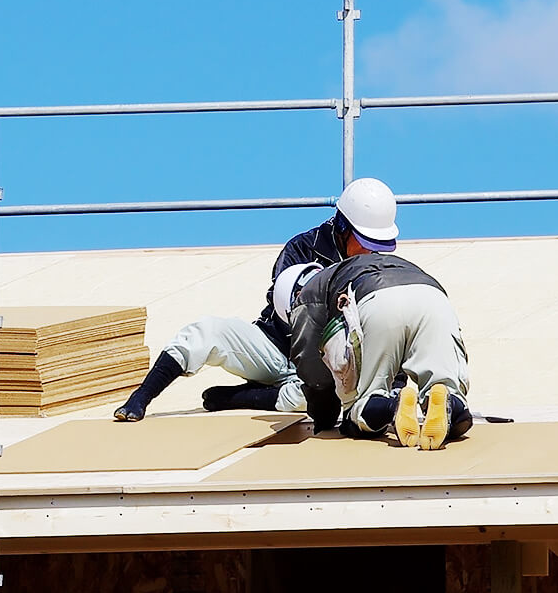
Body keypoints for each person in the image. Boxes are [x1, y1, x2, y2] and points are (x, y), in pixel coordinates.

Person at [112, 178, 400, 422]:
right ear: (342, 227)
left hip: (326, 368)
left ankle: (241, 397)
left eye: (376, 246)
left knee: (322, 400)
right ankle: (140, 398)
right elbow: (289, 307)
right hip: (275, 347)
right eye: (364, 242)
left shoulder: (379, 267)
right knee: (206, 332)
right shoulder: (301, 248)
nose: (369, 252)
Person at [273, 254, 472, 449]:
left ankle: (392, 407)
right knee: (447, 391)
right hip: (433, 298)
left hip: (377, 300)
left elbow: (313, 371)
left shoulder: (305, 296)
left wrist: (325, 417)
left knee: (360, 411)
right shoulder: (356, 265)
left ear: (292, 299)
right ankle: (450, 402)